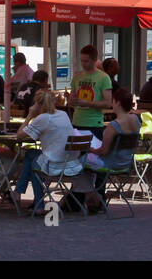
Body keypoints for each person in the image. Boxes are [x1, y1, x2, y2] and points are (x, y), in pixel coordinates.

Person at [12, 88, 94, 216]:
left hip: (56, 165)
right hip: (71, 163)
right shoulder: (63, 114)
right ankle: (21, 194)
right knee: (32, 157)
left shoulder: (43, 118)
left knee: (33, 161)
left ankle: (27, 198)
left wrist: (29, 116)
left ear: (37, 104)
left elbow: (19, 136)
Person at [82, 88, 139, 213]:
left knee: (79, 162)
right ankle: (94, 198)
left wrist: (90, 149)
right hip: (126, 162)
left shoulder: (113, 125)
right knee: (86, 164)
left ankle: (94, 197)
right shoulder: (136, 120)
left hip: (111, 164)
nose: (111, 104)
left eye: (113, 101)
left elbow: (103, 151)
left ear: (118, 103)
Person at [66, 45, 112, 134]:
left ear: (94, 60)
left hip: (94, 123)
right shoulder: (77, 76)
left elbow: (107, 103)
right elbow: (71, 101)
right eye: (81, 60)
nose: (83, 63)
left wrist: (87, 103)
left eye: (86, 61)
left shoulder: (104, 78)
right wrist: (71, 100)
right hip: (77, 121)